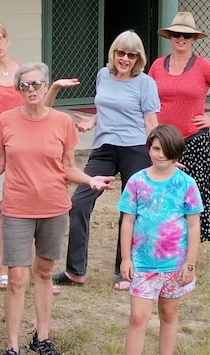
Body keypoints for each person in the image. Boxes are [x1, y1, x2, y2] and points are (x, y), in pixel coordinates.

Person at [0, 62, 115, 355]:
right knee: (18, 278)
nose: (31, 89)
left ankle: (42, 338)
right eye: (25, 85)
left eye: (36, 84)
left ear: (47, 87)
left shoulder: (61, 122)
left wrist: (90, 179)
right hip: (18, 208)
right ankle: (12, 346)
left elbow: (68, 168)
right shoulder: (6, 121)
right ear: (18, 89)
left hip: (54, 208)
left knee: (44, 273)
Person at [0, 21, 67, 290]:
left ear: (7, 39)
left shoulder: (24, 72)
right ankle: (2, 269)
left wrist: (53, 89)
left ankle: (33, 269)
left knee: (27, 208)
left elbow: (42, 108)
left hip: (24, 146)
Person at [52, 30, 160, 290]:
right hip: (104, 146)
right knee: (78, 202)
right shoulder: (103, 74)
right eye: (120, 53)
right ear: (113, 53)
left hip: (135, 148)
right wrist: (93, 119)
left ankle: (125, 270)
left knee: (130, 210)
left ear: (139, 58)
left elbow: (151, 122)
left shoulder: (145, 83)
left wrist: (161, 154)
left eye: (131, 55)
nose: (125, 59)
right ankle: (76, 271)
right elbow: (107, 105)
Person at [149, 11, 210, 243]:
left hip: (193, 141)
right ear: (170, 37)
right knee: (162, 192)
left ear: (193, 39)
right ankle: (164, 239)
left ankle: (189, 244)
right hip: (163, 142)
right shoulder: (158, 65)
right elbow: (147, 98)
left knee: (191, 196)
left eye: (186, 35)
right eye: (176, 34)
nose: (181, 39)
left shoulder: (203, 66)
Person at [118, 124, 202, 355]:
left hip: (175, 265)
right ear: (149, 149)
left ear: (176, 150)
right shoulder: (137, 182)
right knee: (138, 317)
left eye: (166, 149)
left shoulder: (187, 184)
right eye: (156, 148)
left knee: (169, 314)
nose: (161, 154)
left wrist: (190, 263)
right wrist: (126, 258)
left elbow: (194, 225)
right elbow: (128, 221)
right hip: (143, 265)